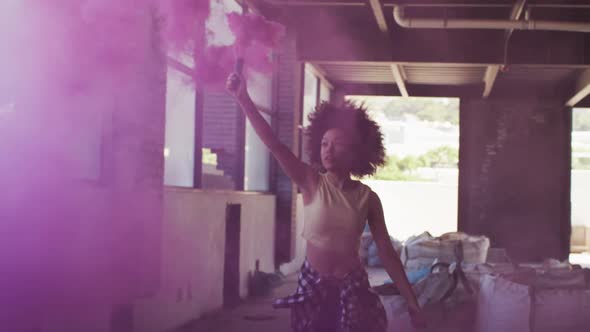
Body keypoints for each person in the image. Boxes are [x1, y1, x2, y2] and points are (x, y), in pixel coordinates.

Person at [227, 72, 425, 332]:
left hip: (352, 286)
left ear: (356, 151)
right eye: (324, 144)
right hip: (312, 285)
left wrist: (413, 304)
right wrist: (243, 98)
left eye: (337, 144)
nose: (328, 150)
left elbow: (387, 252)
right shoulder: (311, 181)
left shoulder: (368, 198)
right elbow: (274, 144)